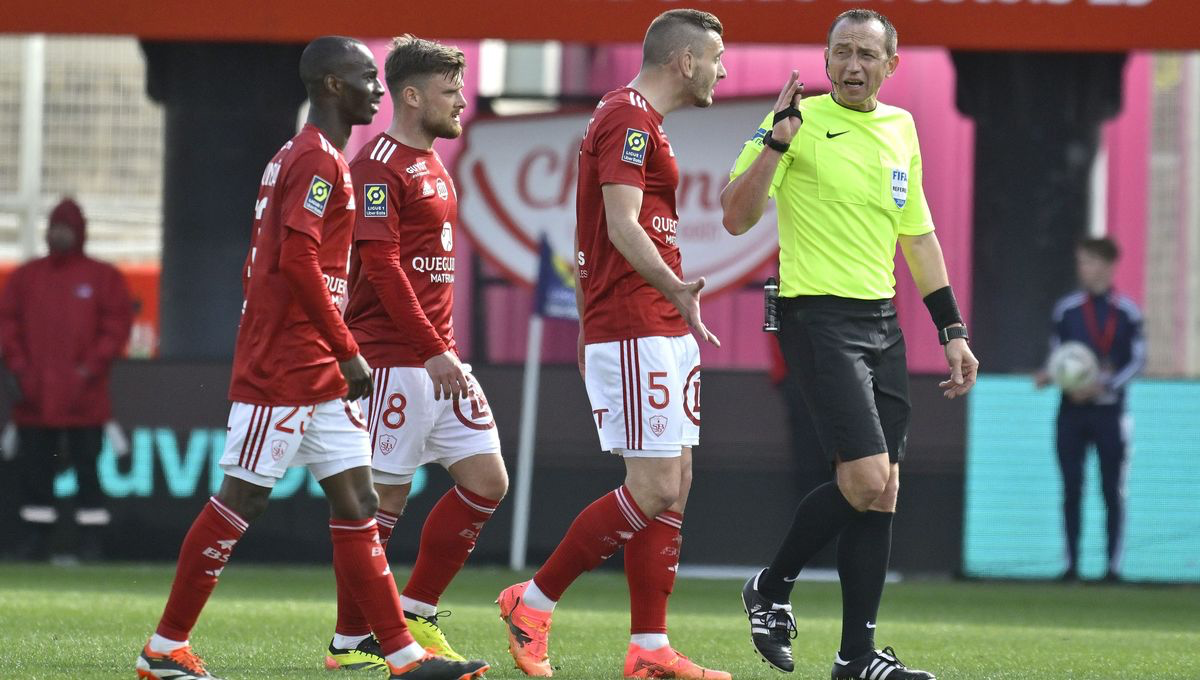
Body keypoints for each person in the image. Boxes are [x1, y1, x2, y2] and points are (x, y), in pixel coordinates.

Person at [134, 36, 488, 680]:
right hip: (287, 364)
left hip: (313, 364)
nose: (376, 89)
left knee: (357, 501)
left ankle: (400, 656)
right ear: (331, 85)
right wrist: (349, 351)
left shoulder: (313, 156)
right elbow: (296, 261)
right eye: (363, 78)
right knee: (241, 499)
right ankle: (163, 648)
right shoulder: (317, 161)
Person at [721, 9, 978, 680]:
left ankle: (855, 658)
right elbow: (734, 215)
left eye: (867, 53)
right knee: (865, 478)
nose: (853, 65)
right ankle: (770, 586)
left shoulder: (902, 128)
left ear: (891, 66)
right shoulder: (793, 122)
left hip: (881, 321)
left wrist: (951, 329)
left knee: (883, 489)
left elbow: (917, 236)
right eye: (842, 52)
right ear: (826, 60)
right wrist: (775, 143)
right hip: (812, 318)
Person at [496, 9, 728, 680]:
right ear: (684, 61)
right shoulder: (625, 118)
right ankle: (532, 602)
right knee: (652, 485)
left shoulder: (644, 123)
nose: (720, 71)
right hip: (634, 322)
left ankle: (649, 649)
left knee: (675, 484)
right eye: (715, 57)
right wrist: (677, 287)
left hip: (657, 323)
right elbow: (623, 225)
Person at [324, 35, 508, 670]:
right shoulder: (377, 164)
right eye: (449, 89)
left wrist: (440, 349)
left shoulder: (431, 162)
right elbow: (379, 263)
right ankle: (350, 641)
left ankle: (418, 612)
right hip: (394, 360)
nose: (460, 99)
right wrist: (431, 349)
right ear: (410, 95)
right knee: (382, 502)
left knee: (487, 481)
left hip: (438, 357)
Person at [0, 198, 133, 561]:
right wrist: (21, 369)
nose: (59, 233)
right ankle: (34, 541)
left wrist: (88, 370)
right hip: (34, 400)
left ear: (79, 231)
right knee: (35, 474)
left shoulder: (102, 277)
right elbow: (7, 325)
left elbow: (116, 326)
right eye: (54, 226)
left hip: (85, 402)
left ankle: (91, 542)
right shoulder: (26, 278)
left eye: (66, 226)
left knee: (88, 471)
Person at [1035, 237, 1144, 582]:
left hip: (1110, 413)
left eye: (1089, 261)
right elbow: (1058, 356)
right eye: (1081, 261)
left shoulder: (1127, 312)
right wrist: (1053, 378)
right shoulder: (1066, 310)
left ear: (1108, 265)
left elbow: (1137, 360)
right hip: (1071, 411)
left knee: (1112, 489)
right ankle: (1071, 566)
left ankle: (1113, 568)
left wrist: (1105, 385)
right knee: (1072, 488)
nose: (1083, 268)